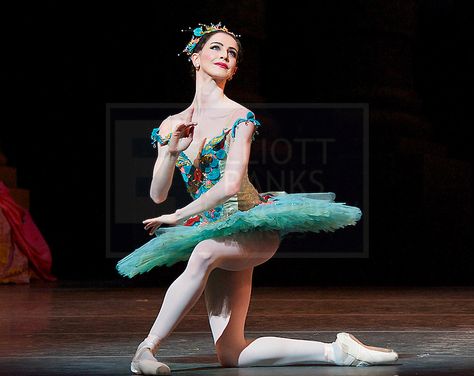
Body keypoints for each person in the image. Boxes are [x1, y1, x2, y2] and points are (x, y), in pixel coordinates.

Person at [117, 22, 398, 375]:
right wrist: (171, 151)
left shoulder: (240, 118)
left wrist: (180, 214)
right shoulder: (172, 123)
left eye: (231, 53)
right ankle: (336, 351)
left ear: (234, 69)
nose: (224, 56)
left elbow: (231, 183)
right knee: (232, 353)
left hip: (251, 224)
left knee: (204, 253)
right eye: (216, 48)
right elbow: (157, 194)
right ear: (195, 57)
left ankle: (146, 349)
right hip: (213, 229)